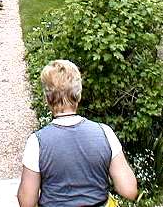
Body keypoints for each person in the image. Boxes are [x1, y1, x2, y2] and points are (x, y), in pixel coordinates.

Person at [17, 60, 138, 207]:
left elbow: (26, 202)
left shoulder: (37, 142)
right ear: (78, 94)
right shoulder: (105, 133)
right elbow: (129, 190)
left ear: (47, 98)